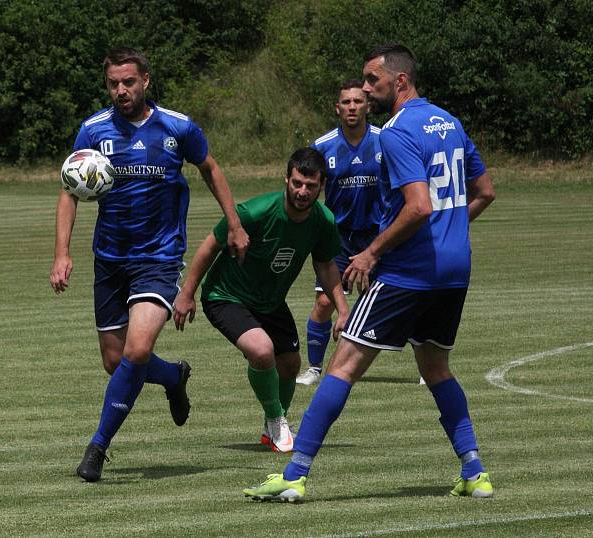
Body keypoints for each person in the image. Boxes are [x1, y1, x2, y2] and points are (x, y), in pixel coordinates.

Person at [243, 44, 496, 502]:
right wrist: (450, 230)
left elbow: (418, 207)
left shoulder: (396, 132)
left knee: (343, 366)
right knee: (437, 368)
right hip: (454, 272)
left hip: (409, 272)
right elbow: (484, 192)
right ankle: (474, 471)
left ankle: (294, 474)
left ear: (399, 81)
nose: (364, 88)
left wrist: (371, 253)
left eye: (371, 80)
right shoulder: (451, 123)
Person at [50, 46, 249, 483]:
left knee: (136, 351)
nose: (121, 90)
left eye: (128, 82)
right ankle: (173, 376)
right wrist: (62, 253)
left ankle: (98, 448)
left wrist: (233, 223)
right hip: (110, 260)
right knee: (116, 360)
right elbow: (69, 188)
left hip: (158, 259)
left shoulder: (177, 127)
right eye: (113, 84)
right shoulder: (93, 130)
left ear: (146, 81)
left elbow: (210, 168)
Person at [173, 148, 349, 452]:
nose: (302, 191)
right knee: (262, 351)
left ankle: (272, 429)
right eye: (296, 183)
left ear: (322, 186)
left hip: (270, 302)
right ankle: (275, 419)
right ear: (286, 178)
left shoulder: (323, 220)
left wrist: (343, 310)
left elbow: (325, 264)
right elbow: (210, 246)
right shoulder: (256, 212)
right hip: (226, 296)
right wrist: (186, 294)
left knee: (291, 365)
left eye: (310, 186)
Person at [297, 80, 383, 386]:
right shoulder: (322, 146)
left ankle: (427, 366)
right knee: (324, 303)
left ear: (368, 106)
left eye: (358, 102)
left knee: (396, 298)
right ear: (337, 108)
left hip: (378, 238)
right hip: (338, 239)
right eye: (345, 102)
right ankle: (314, 368)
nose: (351, 107)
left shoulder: (386, 140)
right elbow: (307, 191)